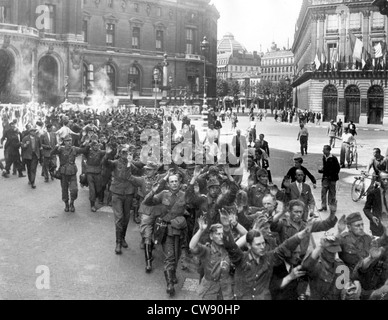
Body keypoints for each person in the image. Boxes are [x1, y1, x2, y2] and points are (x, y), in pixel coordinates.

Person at [219, 208, 312, 300]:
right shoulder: (241, 258)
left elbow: (285, 246)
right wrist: (226, 228)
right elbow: (231, 247)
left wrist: (303, 233)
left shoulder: (269, 258)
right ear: (249, 245)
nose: (262, 247)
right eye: (258, 244)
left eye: (263, 243)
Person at [143, 172, 187, 297]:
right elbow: (148, 202)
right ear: (168, 184)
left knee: (177, 255)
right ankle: (170, 284)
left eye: (176, 181)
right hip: (166, 230)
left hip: (179, 230)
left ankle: (172, 275)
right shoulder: (163, 194)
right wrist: (152, 192)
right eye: (171, 181)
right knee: (169, 257)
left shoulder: (184, 195)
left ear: (179, 183)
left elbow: (195, 201)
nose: (174, 183)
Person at [103, 146, 141, 255]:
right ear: (120, 153)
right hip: (117, 192)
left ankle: (123, 237)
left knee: (126, 217)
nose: (125, 155)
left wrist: (130, 162)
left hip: (128, 192)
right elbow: (105, 163)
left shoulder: (130, 164)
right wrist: (106, 155)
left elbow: (137, 171)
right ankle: (118, 242)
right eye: (123, 153)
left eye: (127, 153)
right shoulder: (115, 163)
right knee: (119, 218)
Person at [271, 200, 338, 257]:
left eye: (300, 212)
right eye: (296, 212)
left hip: (301, 259)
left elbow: (325, 224)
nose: (299, 214)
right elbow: (273, 224)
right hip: (286, 259)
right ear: (290, 212)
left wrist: (332, 212)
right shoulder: (283, 223)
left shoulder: (307, 225)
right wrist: (282, 212)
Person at [189, 218, 234, 300]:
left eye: (222, 234)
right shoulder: (207, 250)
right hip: (209, 291)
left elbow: (246, 237)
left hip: (226, 292)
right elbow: (192, 246)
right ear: (211, 236)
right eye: (218, 234)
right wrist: (200, 230)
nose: (221, 237)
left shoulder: (230, 249)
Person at [301, 235, 346, 300]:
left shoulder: (340, 265)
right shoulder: (316, 266)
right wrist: (321, 246)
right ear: (322, 250)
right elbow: (305, 266)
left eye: (334, 252)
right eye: (330, 252)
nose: (333, 255)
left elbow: (344, 285)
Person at [50, 135, 87, 213]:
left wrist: (86, 143)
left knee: (74, 190)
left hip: (72, 172)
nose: (69, 142)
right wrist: (57, 146)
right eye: (67, 141)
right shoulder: (60, 149)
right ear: (64, 142)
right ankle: (66, 204)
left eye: (70, 140)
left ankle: (72, 203)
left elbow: (84, 150)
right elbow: (51, 153)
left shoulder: (74, 149)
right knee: (64, 190)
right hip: (63, 173)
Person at [363, 171, 388, 237]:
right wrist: (371, 217)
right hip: (378, 227)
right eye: (383, 179)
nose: (386, 181)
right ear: (379, 180)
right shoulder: (373, 193)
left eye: (387, 179)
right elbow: (366, 209)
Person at [318, 145, 341, 212]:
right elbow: (325, 167)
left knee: (332, 193)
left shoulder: (333, 158)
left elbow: (337, 168)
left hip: (332, 179)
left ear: (328, 150)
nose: (323, 151)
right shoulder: (324, 157)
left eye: (324, 149)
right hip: (325, 178)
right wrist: (322, 170)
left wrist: (332, 175)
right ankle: (323, 206)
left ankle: (332, 206)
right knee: (323, 192)